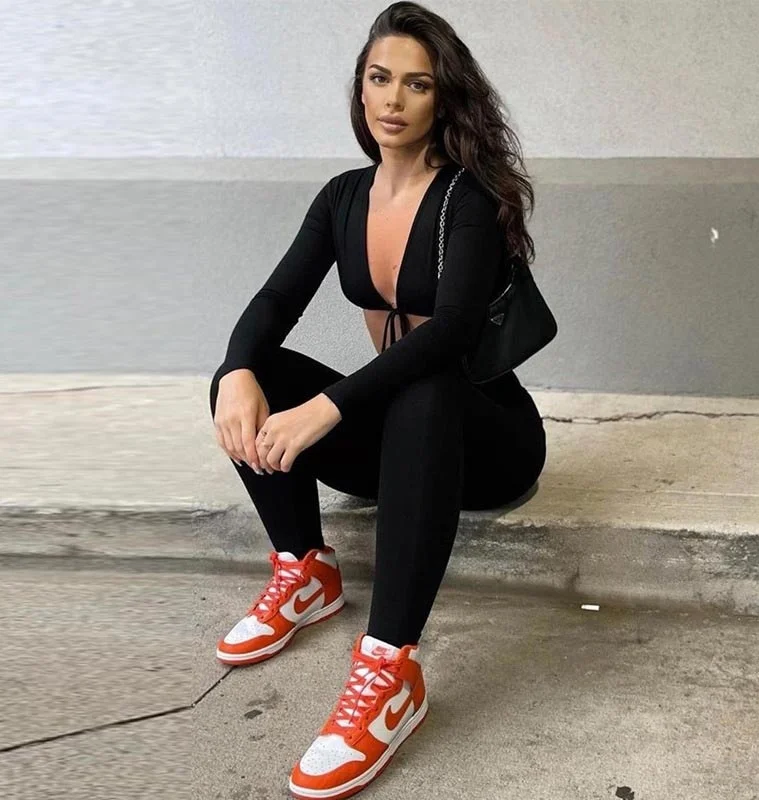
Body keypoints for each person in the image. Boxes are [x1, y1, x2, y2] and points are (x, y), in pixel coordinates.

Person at [208, 3, 546, 797]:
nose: (393, 99)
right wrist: (236, 368)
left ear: (443, 97)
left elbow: (452, 332)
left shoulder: (468, 198)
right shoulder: (343, 197)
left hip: (487, 440)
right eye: (379, 78)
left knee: (424, 384)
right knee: (250, 374)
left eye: (416, 84)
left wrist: (329, 407)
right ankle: (305, 569)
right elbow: (274, 301)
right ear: (360, 89)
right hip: (401, 441)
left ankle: (390, 671)